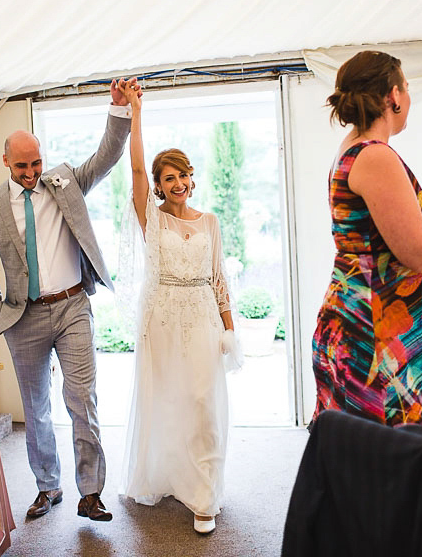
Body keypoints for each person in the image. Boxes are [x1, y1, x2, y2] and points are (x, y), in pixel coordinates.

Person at [0, 80, 134, 522]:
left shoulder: (63, 180)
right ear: (5, 161)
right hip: (22, 317)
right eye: (22, 165)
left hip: (72, 306)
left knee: (83, 399)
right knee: (36, 408)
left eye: (36, 162)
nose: (31, 171)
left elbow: (107, 156)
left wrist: (118, 110)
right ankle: (48, 487)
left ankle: (90, 492)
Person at [311, 50, 422, 451]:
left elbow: (392, 230)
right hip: (377, 331)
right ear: (393, 96)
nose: (409, 96)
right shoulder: (375, 156)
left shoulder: (355, 145)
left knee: (381, 465)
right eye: (407, 87)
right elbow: (418, 253)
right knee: (389, 465)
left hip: (367, 315)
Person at [116, 82, 240, 534]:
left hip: (204, 318)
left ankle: (205, 495)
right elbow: (134, 171)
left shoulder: (210, 221)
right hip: (163, 317)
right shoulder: (153, 218)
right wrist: (136, 112)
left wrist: (229, 329)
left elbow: (219, 276)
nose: (178, 184)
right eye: (168, 178)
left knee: (204, 400)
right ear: (160, 185)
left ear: (191, 177)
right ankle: (169, 477)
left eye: (182, 175)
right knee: (167, 399)